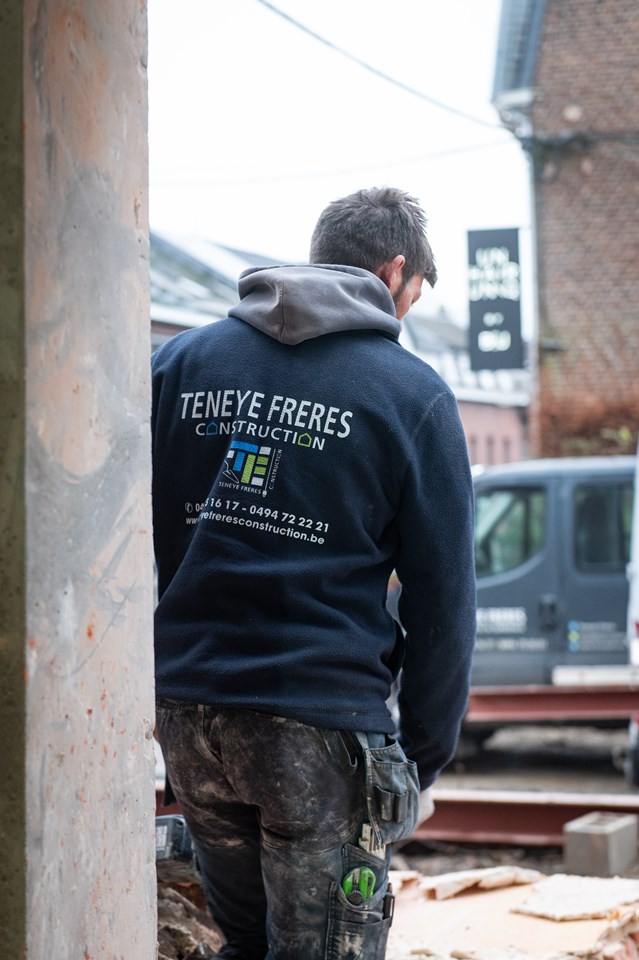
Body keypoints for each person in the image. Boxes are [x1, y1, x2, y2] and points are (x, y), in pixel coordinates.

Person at [152, 186, 476, 960]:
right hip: (320, 726)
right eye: (415, 293)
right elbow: (441, 602)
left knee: (243, 945)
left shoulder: (179, 364)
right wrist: (420, 757)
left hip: (191, 717)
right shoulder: (411, 394)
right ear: (394, 272)